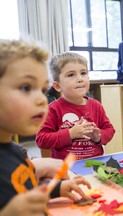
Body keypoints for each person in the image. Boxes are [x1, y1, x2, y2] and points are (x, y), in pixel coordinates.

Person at [0, 39, 91, 216]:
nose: (42, 100)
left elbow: (25, 187)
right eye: (26, 87)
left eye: (42, 90)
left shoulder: (16, 152)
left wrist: (55, 188)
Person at [36, 52, 115, 160]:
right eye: (71, 75)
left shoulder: (96, 105)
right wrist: (70, 133)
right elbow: (42, 140)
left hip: (95, 165)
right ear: (57, 86)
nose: (80, 79)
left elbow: (109, 130)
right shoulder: (53, 109)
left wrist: (98, 136)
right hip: (65, 169)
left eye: (83, 73)